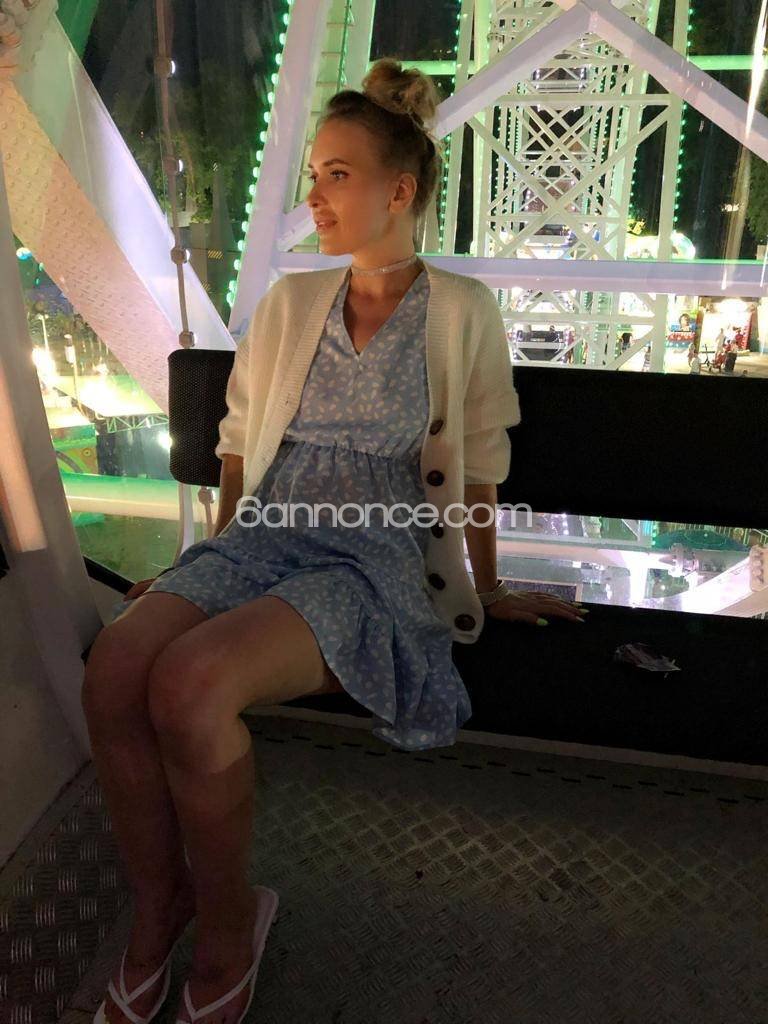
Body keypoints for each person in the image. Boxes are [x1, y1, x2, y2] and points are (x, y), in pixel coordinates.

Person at [82, 58, 588, 1024]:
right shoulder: (289, 306)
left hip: (373, 557)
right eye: (314, 175)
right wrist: (200, 573)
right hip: (263, 540)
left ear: (400, 191)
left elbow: (479, 464)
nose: (313, 197)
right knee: (114, 669)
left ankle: (229, 929)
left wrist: (485, 590)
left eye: (337, 176)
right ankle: (159, 910)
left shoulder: (462, 311)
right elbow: (239, 449)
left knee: (189, 686)